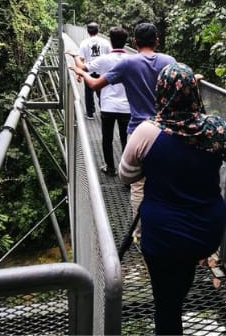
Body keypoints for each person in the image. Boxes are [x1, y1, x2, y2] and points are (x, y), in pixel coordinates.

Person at [118, 62, 226, 335]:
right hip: (207, 230)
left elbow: (125, 176)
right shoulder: (216, 129)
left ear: (161, 93)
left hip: (163, 235)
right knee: (183, 274)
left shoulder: (147, 131)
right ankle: (180, 289)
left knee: (166, 305)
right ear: (194, 91)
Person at [71, 22, 176, 238]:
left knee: (138, 185)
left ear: (134, 42)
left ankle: (141, 233)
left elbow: (95, 85)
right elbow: (183, 84)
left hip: (139, 131)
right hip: (168, 131)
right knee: (166, 180)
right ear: (157, 41)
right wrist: (196, 79)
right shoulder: (169, 61)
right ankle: (170, 227)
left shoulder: (128, 63)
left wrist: (78, 69)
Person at [69, 26, 130, 176]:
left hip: (108, 106)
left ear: (110, 40)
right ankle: (127, 172)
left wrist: (75, 56)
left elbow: (83, 67)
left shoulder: (104, 60)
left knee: (107, 139)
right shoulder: (132, 59)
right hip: (127, 107)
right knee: (126, 140)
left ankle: (110, 168)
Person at [78, 22, 111, 119]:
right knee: (102, 93)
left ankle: (90, 113)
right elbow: (110, 55)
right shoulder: (105, 42)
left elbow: (81, 59)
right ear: (98, 30)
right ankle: (104, 111)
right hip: (102, 72)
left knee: (88, 93)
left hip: (89, 71)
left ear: (87, 31)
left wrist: (79, 74)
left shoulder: (84, 43)